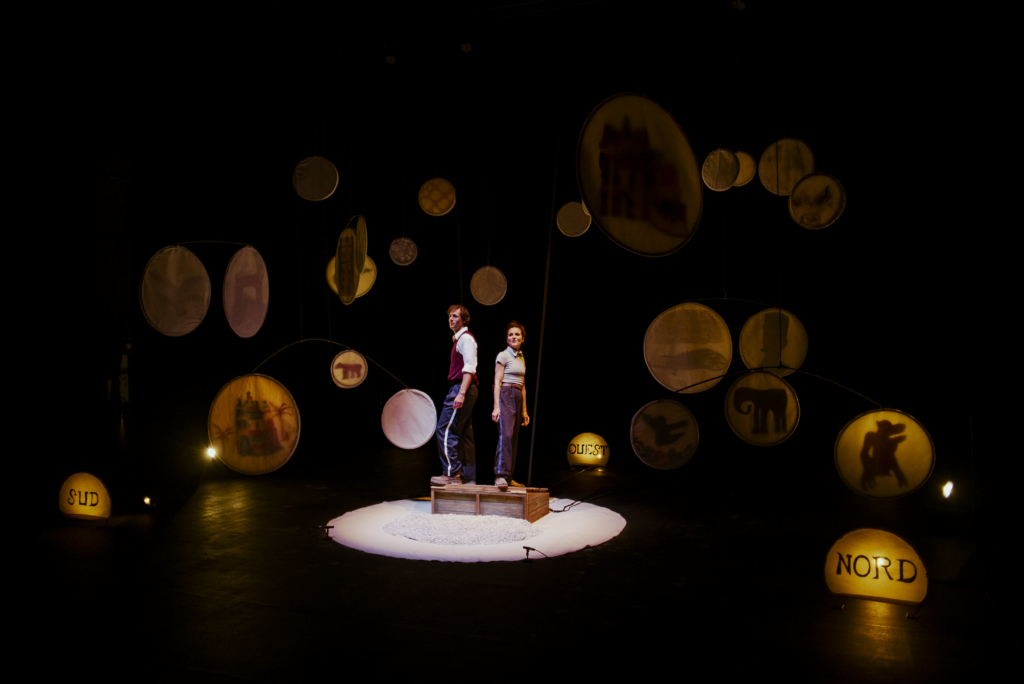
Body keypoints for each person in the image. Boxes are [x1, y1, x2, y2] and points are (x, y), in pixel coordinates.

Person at [432, 304, 478, 485]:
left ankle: (452, 473)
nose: (451, 319)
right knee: (464, 432)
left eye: (456, 316)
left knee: (444, 429)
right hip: (464, 387)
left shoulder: (465, 339)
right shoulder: (459, 339)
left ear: (464, 320)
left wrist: (461, 393)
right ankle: (468, 476)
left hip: (461, 387)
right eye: (450, 316)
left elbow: (469, 368)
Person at [491, 321, 530, 487]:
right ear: (507, 339)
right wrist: (496, 407)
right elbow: (497, 382)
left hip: (518, 394)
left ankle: (508, 477)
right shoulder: (503, 355)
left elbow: (523, 386)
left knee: (513, 438)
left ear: (522, 338)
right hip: (506, 393)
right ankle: (500, 475)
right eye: (510, 335)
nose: (514, 337)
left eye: (517, 334)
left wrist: (524, 411)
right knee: (506, 435)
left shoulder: (521, 358)